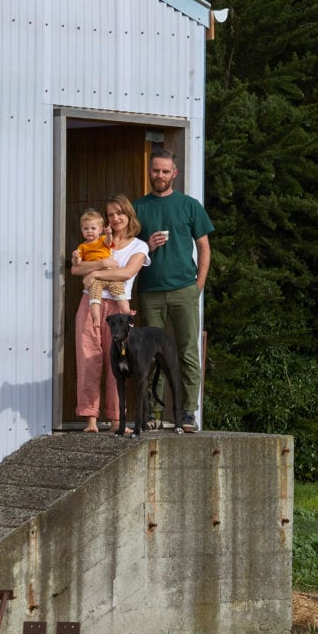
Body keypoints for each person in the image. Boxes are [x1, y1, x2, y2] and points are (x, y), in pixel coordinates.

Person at [134, 149, 213, 433]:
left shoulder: (190, 206)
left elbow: (204, 246)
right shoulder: (138, 208)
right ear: (150, 171)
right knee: (150, 355)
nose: (160, 175)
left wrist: (198, 285)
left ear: (174, 174)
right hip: (150, 291)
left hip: (184, 290)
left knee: (187, 351)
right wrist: (148, 246)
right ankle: (152, 412)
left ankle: (188, 413)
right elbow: (125, 248)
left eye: (166, 171)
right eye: (156, 170)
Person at [71, 194, 149, 433]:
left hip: (118, 307)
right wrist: (97, 268)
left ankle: (117, 420)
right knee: (88, 361)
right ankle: (90, 419)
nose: (115, 218)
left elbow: (127, 273)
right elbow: (77, 269)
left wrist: (93, 275)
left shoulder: (139, 246)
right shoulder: (97, 240)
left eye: (119, 213)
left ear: (128, 215)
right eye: (111, 214)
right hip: (91, 302)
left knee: (118, 362)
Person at [74, 209, 131, 331]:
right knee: (94, 297)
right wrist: (75, 257)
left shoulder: (102, 240)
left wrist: (109, 234)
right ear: (82, 231)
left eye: (93, 228)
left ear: (100, 230)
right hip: (96, 280)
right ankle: (96, 318)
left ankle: (126, 311)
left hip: (109, 275)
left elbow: (109, 242)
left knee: (119, 291)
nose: (89, 231)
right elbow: (77, 265)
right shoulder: (82, 246)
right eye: (86, 229)